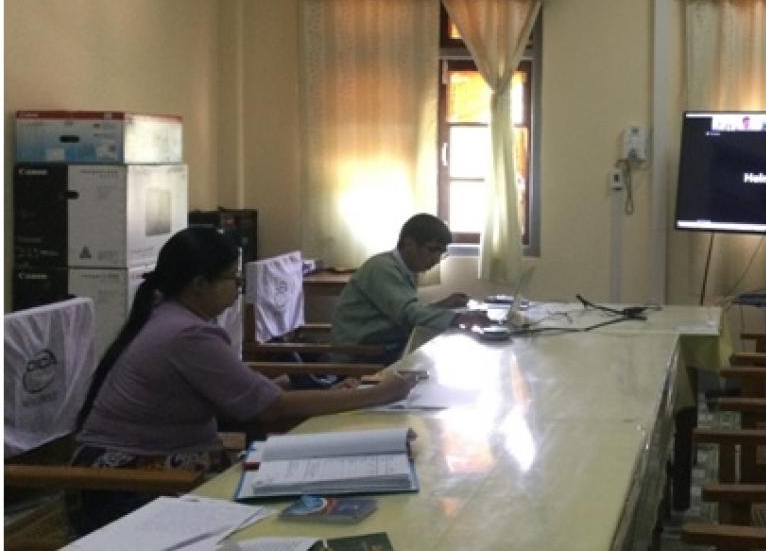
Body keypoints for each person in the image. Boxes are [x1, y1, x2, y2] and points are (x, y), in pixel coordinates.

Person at [71, 226, 417, 534]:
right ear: (199, 284)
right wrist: (379, 394)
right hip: (128, 482)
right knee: (288, 514)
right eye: (233, 279)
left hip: (150, 465)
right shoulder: (187, 333)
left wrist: (298, 389)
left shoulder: (171, 316)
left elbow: (242, 393)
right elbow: (271, 409)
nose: (238, 289)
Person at [331, 213, 492, 362]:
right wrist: (459, 318)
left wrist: (441, 305)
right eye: (432, 250)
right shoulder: (382, 268)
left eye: (441, 253)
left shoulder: (402, 268)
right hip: (362, 355)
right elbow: (407, 314)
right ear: (409, 244)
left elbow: (403, 311)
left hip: (381, 346)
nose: (436, 259)